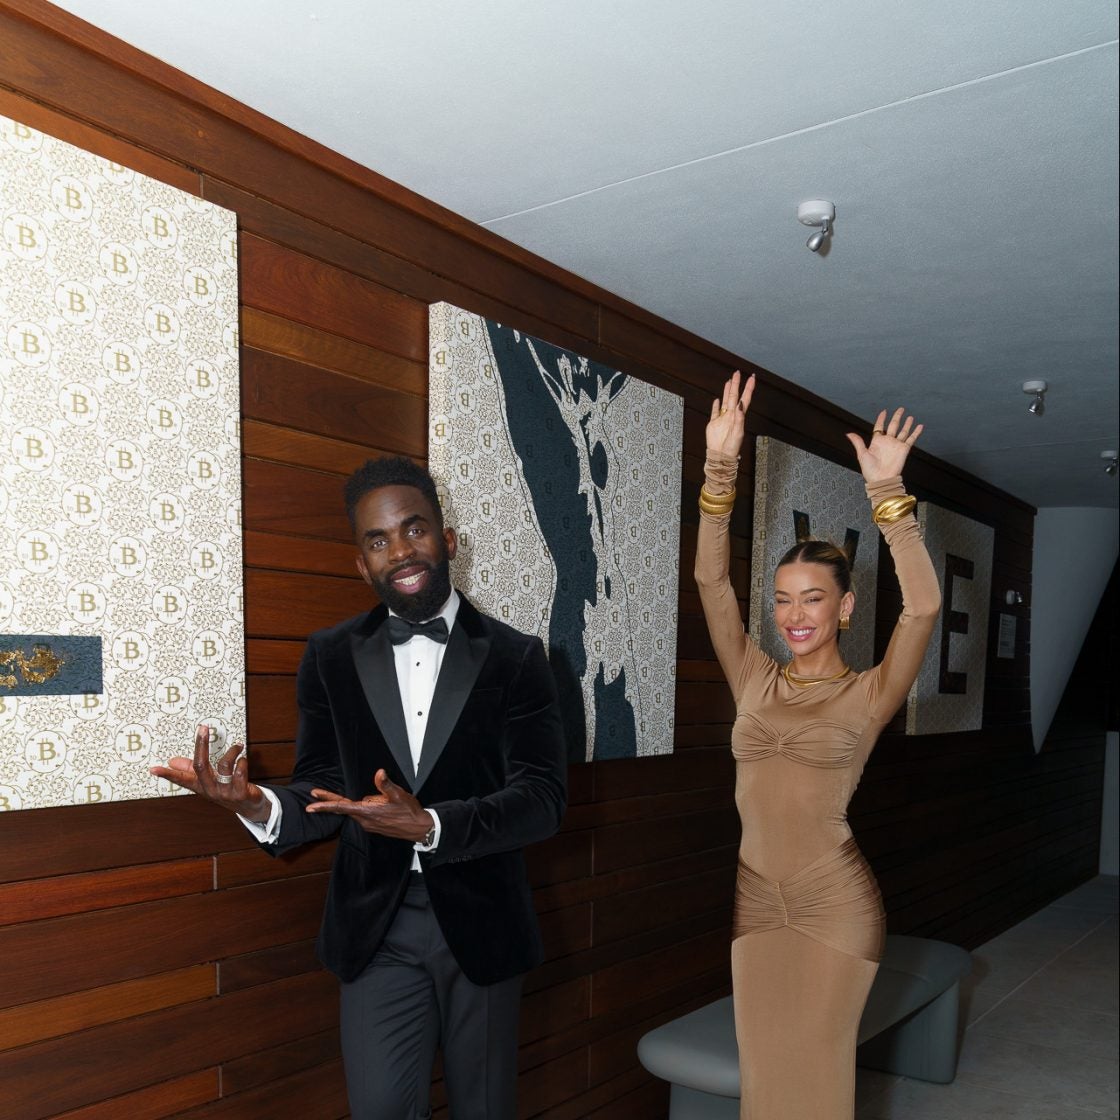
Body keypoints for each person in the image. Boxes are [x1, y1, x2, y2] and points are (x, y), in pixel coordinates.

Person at [152, 456, 567, 1120]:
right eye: (378, 540)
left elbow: (543, 799)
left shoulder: (518, 656)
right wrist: (256, 804)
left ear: (447, 539)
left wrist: (431, 825)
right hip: (376, 927)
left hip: (485, 924)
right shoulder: (329, 655)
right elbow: (322, 789)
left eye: (414, 529)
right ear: (360, 564)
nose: (399, 551)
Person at [695, 371, 940, 1119]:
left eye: (812, 598)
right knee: (765, 1082)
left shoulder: (869, 695)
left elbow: (923, 608)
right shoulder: (754, 677)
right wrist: (719, 469)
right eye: (781, 600)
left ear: (845, 605)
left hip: (834, 903)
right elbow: (711, 584)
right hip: (754, 899)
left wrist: (889, 498)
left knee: (818, 1080)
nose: (794, 615)